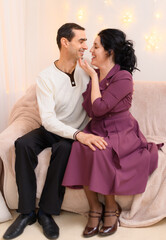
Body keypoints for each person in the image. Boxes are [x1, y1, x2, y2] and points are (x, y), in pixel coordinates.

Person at [3, 23, 107, 240]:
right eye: (81, 41)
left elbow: (108, 82)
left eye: (87, 41)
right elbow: (48, 120)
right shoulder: (45, 77)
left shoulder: (87, 70)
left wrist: (80, 133)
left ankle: (47, 213)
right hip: (53, 128)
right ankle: (26, 213)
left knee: (63, 149)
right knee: (22, 144)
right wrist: (80, 135)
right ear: (64, 42)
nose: (85, 46)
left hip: (73, 132)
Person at [62, 28, 163, 237]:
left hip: (121, 131)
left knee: (101, 152)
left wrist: (91, 75)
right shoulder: (97, 75)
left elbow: (99, 108)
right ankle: (94, 207)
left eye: (96, 46)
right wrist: (93, 77)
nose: (91, 50)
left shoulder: (123, 77)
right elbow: (91, 109)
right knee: (80, 147)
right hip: (98, 128)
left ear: (109, 51)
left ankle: (110, 207)